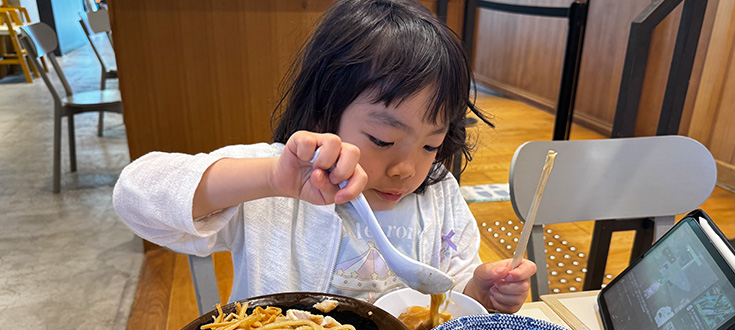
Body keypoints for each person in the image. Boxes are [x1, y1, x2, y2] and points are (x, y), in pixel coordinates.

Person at [113, 0, 536, 313]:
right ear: (324, 112)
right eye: (383, 140)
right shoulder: (277, 184)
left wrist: (478, 293)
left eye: (430, 145)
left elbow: (448, 289)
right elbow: (134, 195)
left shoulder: (438, 194)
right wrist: (269, 179)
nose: (407, 170)